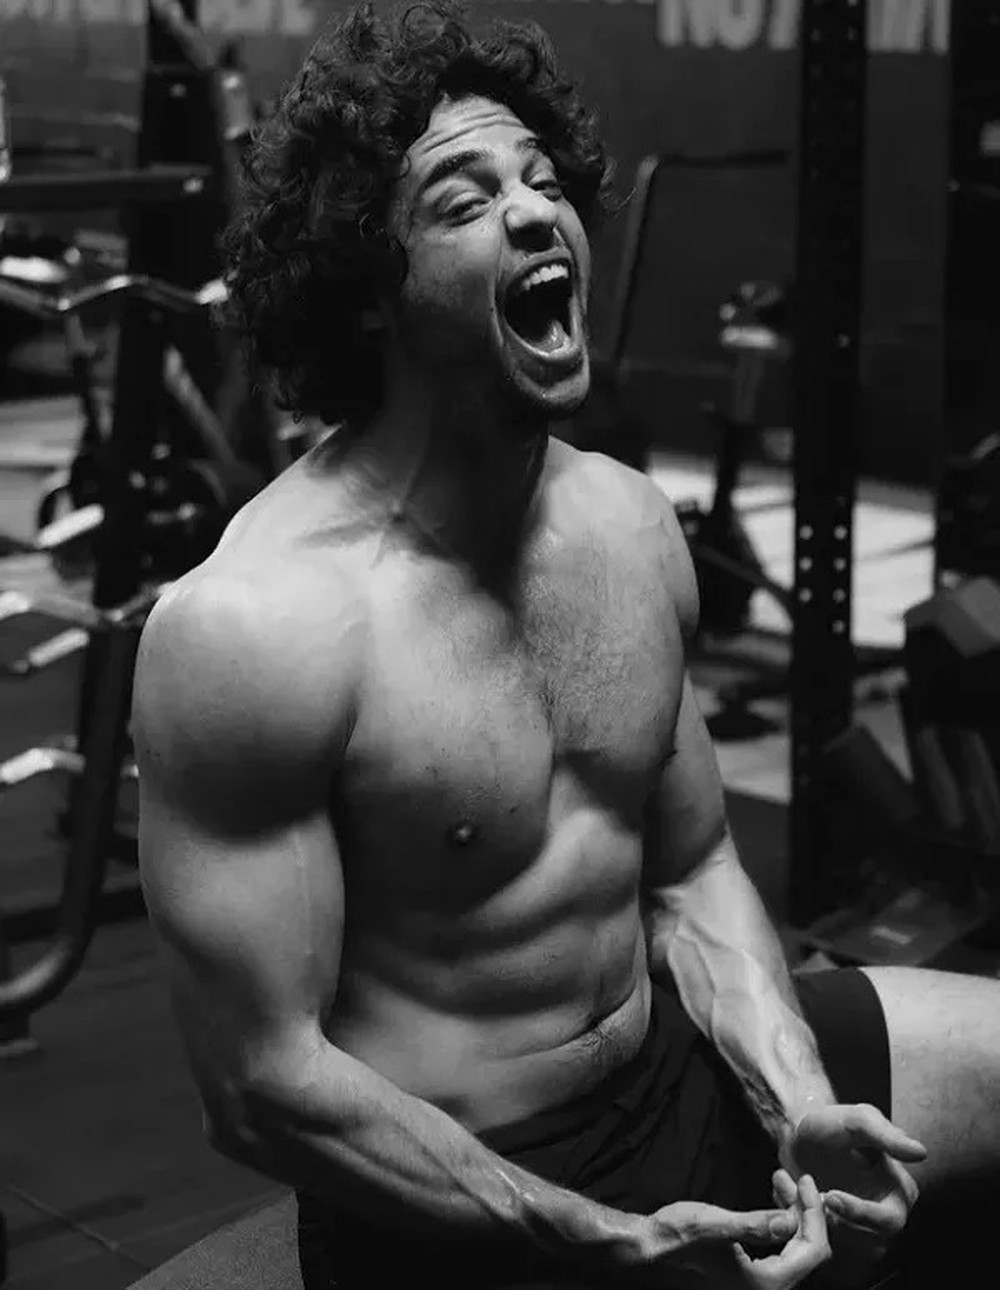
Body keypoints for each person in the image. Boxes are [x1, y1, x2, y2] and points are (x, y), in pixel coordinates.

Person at [132, 4, 1000, 1288]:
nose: (535, 212)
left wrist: (795, 1099)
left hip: (673, 1075)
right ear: (366, 293)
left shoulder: (628, 526)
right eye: (466, 199)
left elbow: (692, 867)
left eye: (542, 179)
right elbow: (260, 1086)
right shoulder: (258, 626)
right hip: (450, 1195)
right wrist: (598, 1238)